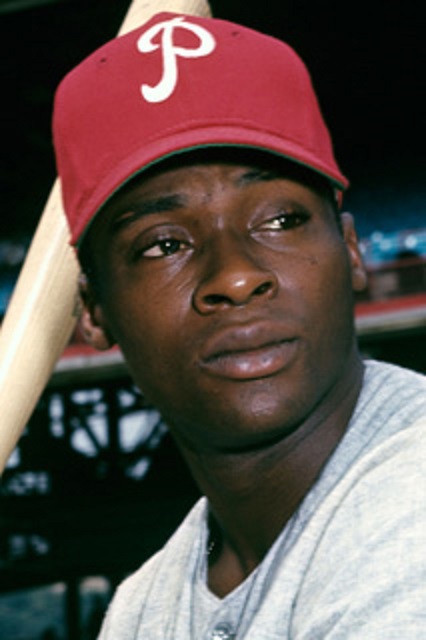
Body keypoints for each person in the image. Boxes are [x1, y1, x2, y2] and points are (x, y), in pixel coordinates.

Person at [52, 12, 426, 639]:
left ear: (351, 251)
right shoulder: (141, 609)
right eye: (164, 244)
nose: (235, 276)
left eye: (280, 220)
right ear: (94, 312)